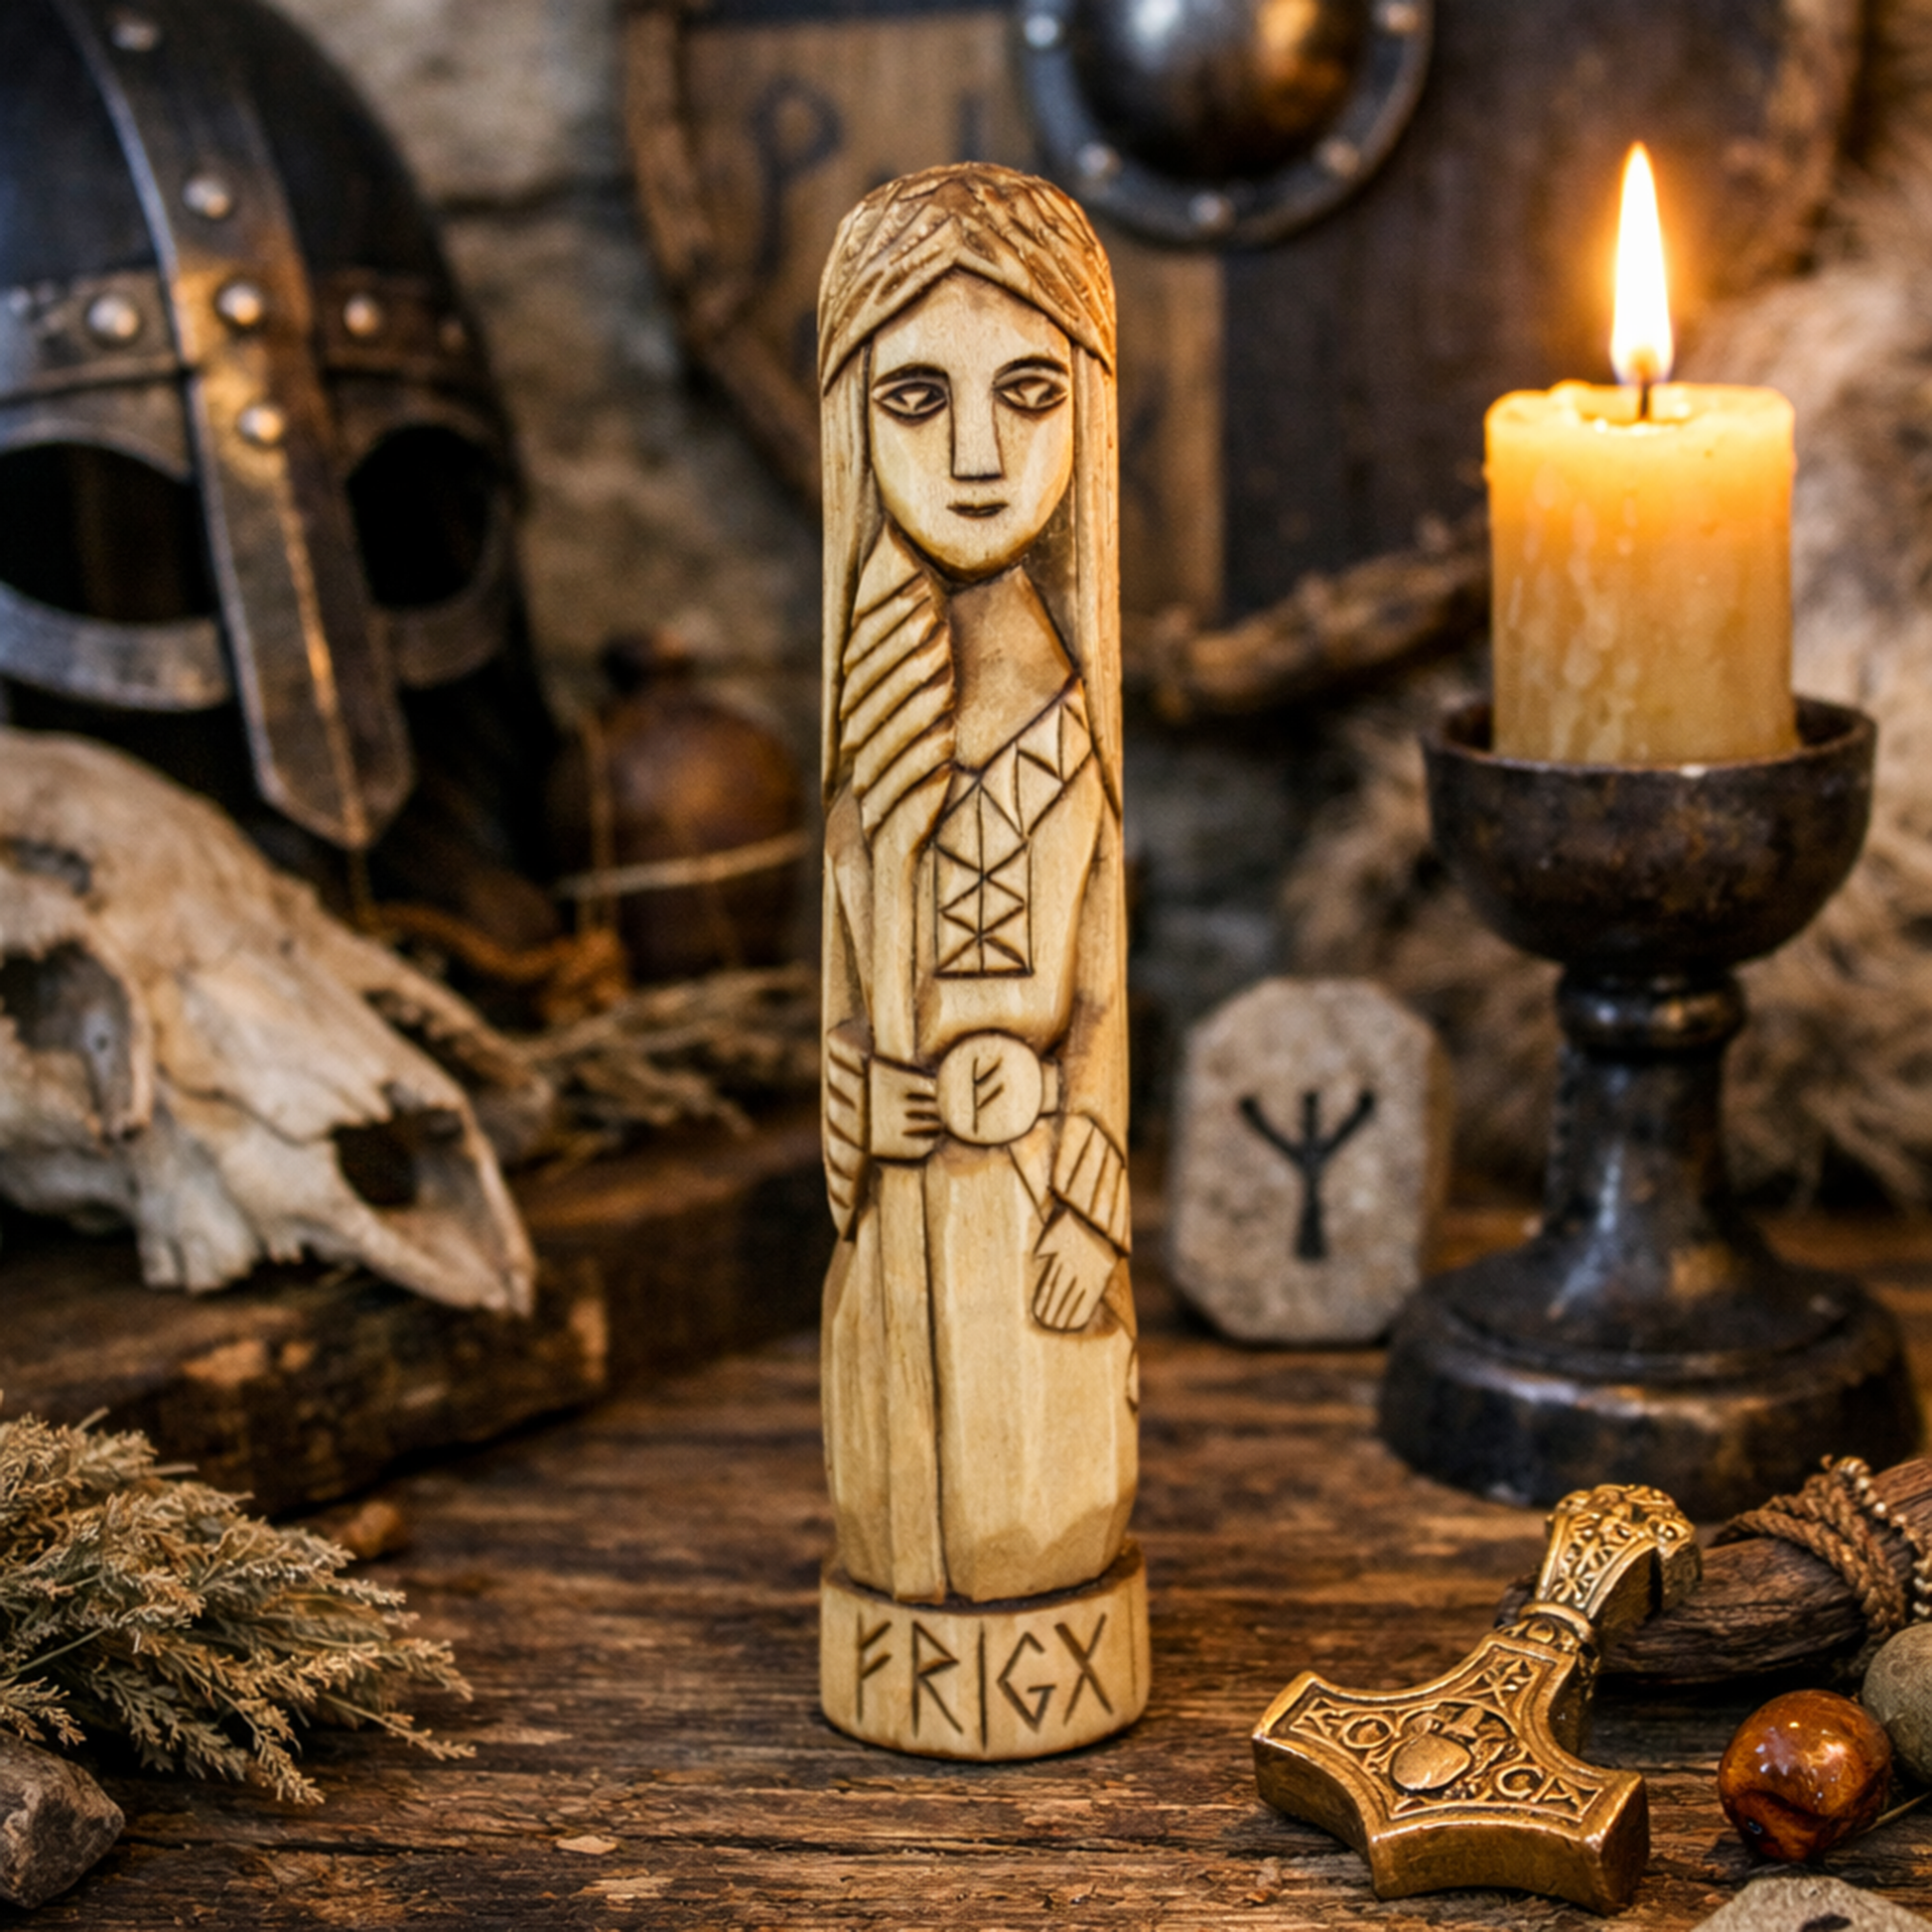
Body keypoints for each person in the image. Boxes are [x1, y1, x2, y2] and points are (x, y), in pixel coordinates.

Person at [817, 165, 1136, 1607]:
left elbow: (1105, 994)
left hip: (1026, 1199)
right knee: (900, 1485)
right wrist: (855, 1102)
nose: (974, 457)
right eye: (914, 397)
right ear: (851, 415)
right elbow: (839, 990)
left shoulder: (1071, 715)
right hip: (897, 1229)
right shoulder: (865, 709)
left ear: (1086, 406)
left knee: (1040, 1497)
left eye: (1026, 393)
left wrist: (1088, 1204)